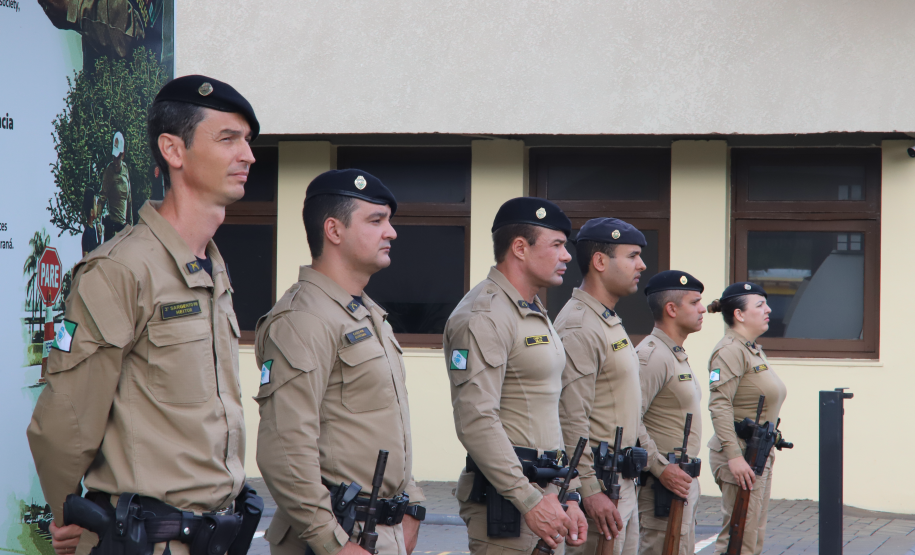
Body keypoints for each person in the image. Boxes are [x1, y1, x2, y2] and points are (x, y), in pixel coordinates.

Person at [28, 75, 261, 555]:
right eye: (228, 138)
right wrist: (66, 511)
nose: (248, 155)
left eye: (248, 141)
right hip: (149, 541)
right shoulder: (121, 269)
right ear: (173, 150)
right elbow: (65, 418)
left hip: (217, 537)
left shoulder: (213, 267)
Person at [254, 169, 426, 555]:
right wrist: (334, 544)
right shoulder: (304, 318)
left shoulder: (367, 314)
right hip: (337, 536)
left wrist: (412, 506)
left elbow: (385, 424)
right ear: (333, 230)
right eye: (376, 221)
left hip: (379, 531)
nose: (391, 232)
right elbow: (283, 448)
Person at [445, 197, 587, 555]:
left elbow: (546, 410)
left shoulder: (531, 309)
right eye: (557, 245)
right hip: (510, 506)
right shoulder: (484, 316)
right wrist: (529, 500)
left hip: (546, 496)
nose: (567, 256)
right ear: (520, 248)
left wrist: (569, 493)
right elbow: (476, 420)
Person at [554, 217, 647, 555]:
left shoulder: (606, 319)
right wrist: (589, 490)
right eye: (632, 255)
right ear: (600, 261)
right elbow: (570, 416)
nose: (642, 265)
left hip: (622, 482)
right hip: (601, 486)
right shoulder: (580, 325)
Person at [706, 282, 788, 555]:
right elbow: (719, 405)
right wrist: (734, 457)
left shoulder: (751, 349)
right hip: (741, 454)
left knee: (751, 537)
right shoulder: (730, 351)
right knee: (738, 537)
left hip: (758, 453)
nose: (769, 310)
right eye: (760, 305)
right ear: (739, 314)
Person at [635, 271, 706, 555]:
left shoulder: (674, 354)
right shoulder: (652, 356)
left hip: (680, 481)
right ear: (671, 309)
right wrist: (660, 467)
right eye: (695, 302)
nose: (703, 309)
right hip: (661, 487)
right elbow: (629, 418)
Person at [100, 131, 133, 241]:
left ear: (123, 155)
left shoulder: (125, 169)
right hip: (112, 226)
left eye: (118, 157)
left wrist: (130, 224)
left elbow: (129, 199)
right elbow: (102, 196)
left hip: (123, 227)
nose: (115, 161)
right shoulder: (109, 171)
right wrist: (97, 220)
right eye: (114, 157)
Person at [80, 188, 101, 257]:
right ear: (91, 212)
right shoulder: (87, 233)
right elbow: (85, 256)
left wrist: (100, 238)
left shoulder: (93, 228)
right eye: (95, 204)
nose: (97, 207)